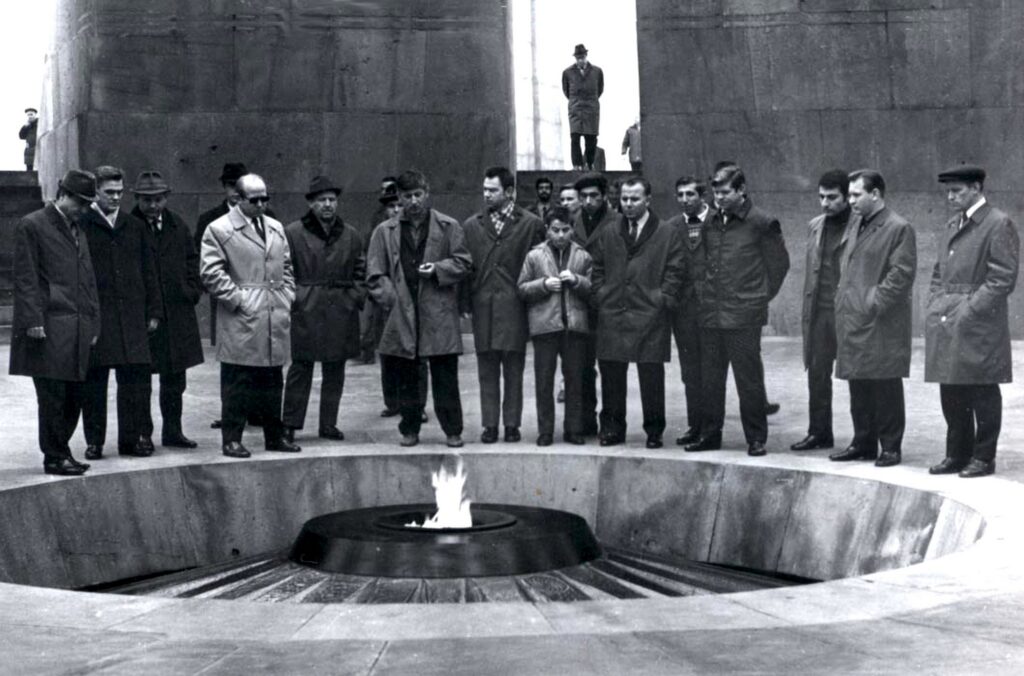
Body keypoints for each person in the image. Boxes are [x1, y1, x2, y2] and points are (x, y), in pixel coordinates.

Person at [687, 165, 789, 457]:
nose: (719, 198)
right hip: (711, 314)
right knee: (711, 380)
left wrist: (757, 298)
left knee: (749, 380)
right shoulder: (711, 222)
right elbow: (704, 261)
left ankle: (756, 438)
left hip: (744, 317)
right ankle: (710, 434)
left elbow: (779, 266)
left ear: (742, 190)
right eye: (716, 193)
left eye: (725, 192)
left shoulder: (762, 222)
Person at [925, 165, 1019, 478]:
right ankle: (957, 453)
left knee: (982, 390)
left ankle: (983, 456)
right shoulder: (954, 222)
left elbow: (1002, 278)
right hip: (948, 316)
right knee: (951, 389)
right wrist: (935, 301)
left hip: (978, 322)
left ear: (976, 188)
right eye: (948, 191)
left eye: (957, 191)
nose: (951, 197)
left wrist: (969, 310)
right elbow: (939, 270)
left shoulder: (997, 223)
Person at [366, 169, 471, 448]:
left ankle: (453, 430)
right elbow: (374, 274)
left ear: (427, 194)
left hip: (437, 311)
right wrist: (393, 300)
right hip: (402, 311)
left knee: (445, 375)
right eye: (407, 196)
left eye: (418, 195)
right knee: (407, 376)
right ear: (398, 197)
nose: (413, 201)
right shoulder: (384, 231)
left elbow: (463, 263)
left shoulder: (449, 226)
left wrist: (437, 269)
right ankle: (409, 429)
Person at [200, 173, 299, 458]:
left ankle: (274, 436)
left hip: (274, 310)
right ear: (239, 199)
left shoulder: (276, 227)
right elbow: (211, 272)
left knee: (272, 378)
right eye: (254, 199)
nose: (261, 204)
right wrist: (239, 300)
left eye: (264, 198)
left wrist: (287, 293)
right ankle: (231, 439)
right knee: (237, 380)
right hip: (243, 314)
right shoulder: (219, 229)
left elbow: (287, 265)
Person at [9, 169, 100, 476]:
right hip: (48, 327)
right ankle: (54, 456)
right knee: (52, 396)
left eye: (89, 203)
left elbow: (88, 280)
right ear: (63, 194)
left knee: (74, 395)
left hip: (76, 327)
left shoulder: (78, 228)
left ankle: (61, 451)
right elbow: (25, 278)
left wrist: (93, 322)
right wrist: (32, 321)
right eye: (81, 202)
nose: (85, 209)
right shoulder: (32, 225)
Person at [591, 176, 686, 448]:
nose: (629, 204)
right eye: (624, 199)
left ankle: (654, 430)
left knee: (651, 374)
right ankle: (612, 428)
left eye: (634, 199)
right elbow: (597, 266)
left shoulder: (666, 232)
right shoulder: (610, 231)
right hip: (614, 311)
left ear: (648, 200)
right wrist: (601, 294)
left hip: (651, 313)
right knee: (611, 373)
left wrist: (663, 298)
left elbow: (676, 269)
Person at [830, 170, 916, 468]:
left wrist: (872, 303)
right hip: (854, 316)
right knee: (859, 382)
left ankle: (890, 446)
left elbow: (901, 274)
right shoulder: (858, 224)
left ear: (876, 194)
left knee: (884, 383)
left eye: (856, 195)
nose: (850, 200)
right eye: (850, 195)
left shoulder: (898, 227)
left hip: (878, 321)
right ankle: (863, 441)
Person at [78, 166, 162, 460]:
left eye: (119, 192)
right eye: (109, 192)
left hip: (133, 317)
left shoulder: (134, 226)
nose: (115, 198)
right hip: (99, 318)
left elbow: (149, 271)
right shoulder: (83, 224)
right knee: (94, 383)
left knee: (135, 382)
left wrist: (153, 311)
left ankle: (132, 439)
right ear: (96, 193)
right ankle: (95, 441)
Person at [282, 176, 367, 442]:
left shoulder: (351, 234)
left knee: (335, 369)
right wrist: (296, 298)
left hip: (341, 310)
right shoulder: (293, 233)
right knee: (301, 367)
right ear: (310, 203)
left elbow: (361, 271)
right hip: (306, 307)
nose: (328, 205)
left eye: (332, 200)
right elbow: (284, 270)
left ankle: (328, 424)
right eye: (322, 200)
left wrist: (354, 296)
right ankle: (290, 424)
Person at [463, 166, 544, 443]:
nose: (487, 195)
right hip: (483, 306)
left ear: (509, 192)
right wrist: (466, 302)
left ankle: (511, 423)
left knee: (513, 368)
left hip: (515, 307)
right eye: (484, 190)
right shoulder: (472, 225)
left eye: (493, 190)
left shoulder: (531, 224)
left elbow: (538, 267)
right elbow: (466, 267)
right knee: (486, 368)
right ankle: (489, 425)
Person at [130, 170, 205, 450]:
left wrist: (191, 291)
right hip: (146, 316)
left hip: (178, 314)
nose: (152, 206)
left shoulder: (177, 225)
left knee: (175, 380)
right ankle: (143, 433)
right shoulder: (129, 226)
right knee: (142, 381)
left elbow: (192, 260)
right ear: (137, 198)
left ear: (166, 198)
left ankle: (173, 431)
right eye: (147, 200)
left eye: (158, 199)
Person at [791, 170, 855, 452]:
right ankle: (819, 432)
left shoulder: (860, 225)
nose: (825, 203)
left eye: (832, 197)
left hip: (849, 311)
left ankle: (863, 437)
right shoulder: (816, 225)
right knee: (817, 374)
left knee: (857, 374)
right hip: (820, 312)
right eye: (821, 197)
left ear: (846, 197)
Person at [518, 206, 593, 446]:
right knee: (544, 381)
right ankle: (545, 431)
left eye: (565, 230)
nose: (560, 235)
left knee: (574, 380)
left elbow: (594, 289)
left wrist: (578, 281)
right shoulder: (535, 255)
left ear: (572, 229)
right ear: (547, 230)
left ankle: (573, 429)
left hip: (574, 327)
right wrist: (543, 284)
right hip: (545, 327)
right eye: (555, 230)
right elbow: (521, 288)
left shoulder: (582, 255)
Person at [665, 175, 711, 446]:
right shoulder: (672, 227)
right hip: (684, 312)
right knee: (690, 371)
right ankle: (696, 425)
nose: (684, 200)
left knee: (712, 371)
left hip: (713, 309)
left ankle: (711, 427)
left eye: (690, 194)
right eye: (680, 195)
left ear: (701, 196)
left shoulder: (717, 221)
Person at [571, 173, 618, 435]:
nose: (588, 201)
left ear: (604, 196)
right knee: (581, 367)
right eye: (584, 197)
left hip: (607, 304)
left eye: (594, 196)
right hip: (579, 304)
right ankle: (585, 420)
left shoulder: (617, 222)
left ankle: (610, 423)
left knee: (610, 366)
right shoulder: (573, 221)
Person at [562, 44, 604, 171]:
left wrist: (591, 100)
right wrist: (575, 101)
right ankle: (577, 165)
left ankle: (589, 163)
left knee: (591, 138)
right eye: (578, 58)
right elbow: (566, 91)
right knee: (575, 137)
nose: (580, 60)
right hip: (575, 109)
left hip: (591, 109)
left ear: (586, 56)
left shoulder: (597, 71)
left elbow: (600, 89)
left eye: (582, 57)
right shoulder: (567, 72)